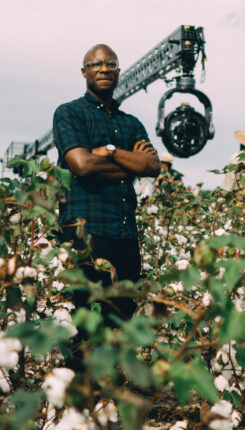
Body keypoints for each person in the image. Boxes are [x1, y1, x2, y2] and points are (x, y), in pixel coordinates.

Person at [53, 44, 160, 329]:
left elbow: (152, 166)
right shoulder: (69, 114)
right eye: (96, 64)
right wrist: (129, 165)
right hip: (85, 234)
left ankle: (114, 374)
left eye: (110, 64)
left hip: (125, 236)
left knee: (122, 321)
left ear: (118, 72)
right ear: (84, 72)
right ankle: (79, 374)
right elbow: (82, 166)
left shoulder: (131, 123)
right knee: (83, 322)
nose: (103, 69)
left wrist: (110, 152)